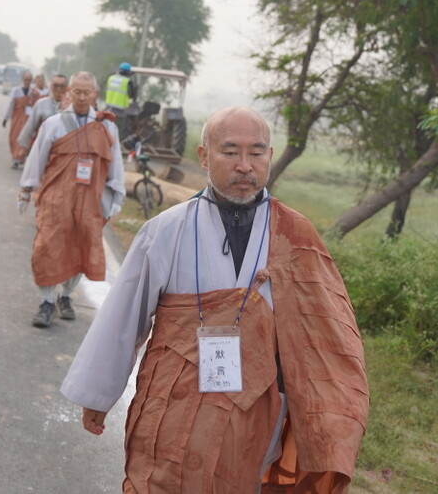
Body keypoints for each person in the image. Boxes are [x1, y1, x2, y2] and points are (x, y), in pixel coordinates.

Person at [60, 106, 369, 493]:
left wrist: (333, 418)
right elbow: (124, 317)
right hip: (174, 408)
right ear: (204, 156)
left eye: (256, 153)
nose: (244, 166)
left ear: (269, 158)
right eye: (230, 152)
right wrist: (98, 394)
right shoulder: (167, 229)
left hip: (257, 414)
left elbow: (328, 338)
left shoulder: (297, 235)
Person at [17, 71, 125, 328]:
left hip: (89, 201)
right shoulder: (53, 124)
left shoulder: (106, 126)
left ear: (95, 95)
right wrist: (26, 189)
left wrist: (116, 195)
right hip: (57, 198)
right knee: (47, 245)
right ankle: (45, 302)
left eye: (87, 92)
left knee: (81, 247)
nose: (82, 97)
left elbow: (116, 165)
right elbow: (37, 159)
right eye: (77, 91)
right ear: (69, 93)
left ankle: (66, 297)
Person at [16, 73, 69, 162]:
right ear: (51, 87)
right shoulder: (41, 104)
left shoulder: (71, 107)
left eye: (62, 86)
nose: (59, 89)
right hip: (41, 147)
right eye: (56, 86)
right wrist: (23, 147)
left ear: (67, 88)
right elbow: (30, 125)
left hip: (63, 150)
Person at [3, 70, 36, 168]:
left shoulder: (33, 92)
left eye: (29, 80)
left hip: (28, 120)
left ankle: (20, 157)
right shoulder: (16, 91)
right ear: (22, 79)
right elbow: (10, 104)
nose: (27, 82)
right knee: (14, 137)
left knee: (25, 138)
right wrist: (6, 118)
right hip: (16, 119)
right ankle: (15, 157)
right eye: (26, 80)